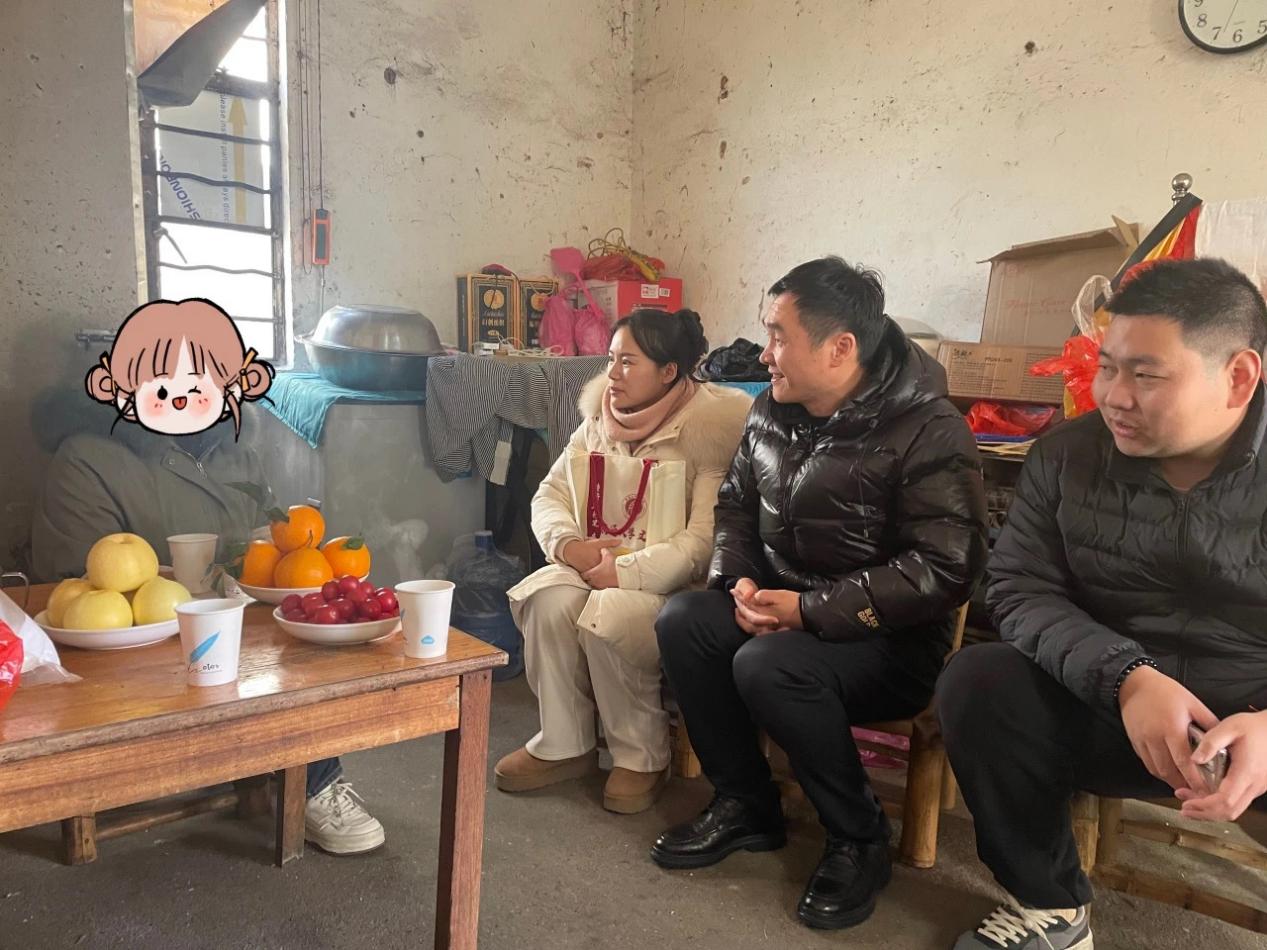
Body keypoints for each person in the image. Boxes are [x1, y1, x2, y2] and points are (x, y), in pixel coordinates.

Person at [937, 258, 1267, 950]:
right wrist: (1126, 678)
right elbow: (1019, 587)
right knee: (980, 681)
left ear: (1238, 376)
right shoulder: (1066, 456)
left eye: (1145, 375)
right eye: (1107, 366)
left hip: (1254, 723)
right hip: (1115, 708)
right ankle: (1049, 907)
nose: (1113, 395)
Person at [651, 257, 988, 930]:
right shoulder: (770, 410)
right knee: (685, 619)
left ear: (840, 348)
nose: (763, 353)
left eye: (778, 336)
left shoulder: (927, 428)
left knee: (768, 664)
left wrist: (810, 611)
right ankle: (746, 804)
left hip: (887, 640)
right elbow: (736, 506)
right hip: (781, 609)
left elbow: (945, 567)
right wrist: (739, 583)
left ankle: (859, 836)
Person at [32, 422, 386, 856]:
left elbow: (268, 543)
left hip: (236, 626)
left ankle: (312, 777)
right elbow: (77, 585)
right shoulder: (88, 457)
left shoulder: (236, 452)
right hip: (138, 643)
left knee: (300, 640)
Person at [497, 308, 752, 814]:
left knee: (611, 613)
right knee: (548, 596)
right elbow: (550, 494)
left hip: (672, 585)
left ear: (669, 371)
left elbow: (704, 540)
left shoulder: (712, 427)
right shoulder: (601, 417)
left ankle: (642, 755)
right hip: (594, 566)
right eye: (611, 359)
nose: (612, 374)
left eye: (628, 362)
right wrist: (569, 546)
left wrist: (625, 571)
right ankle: (564, 743)